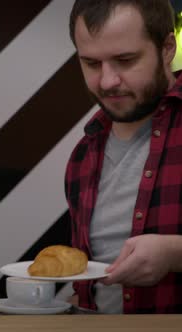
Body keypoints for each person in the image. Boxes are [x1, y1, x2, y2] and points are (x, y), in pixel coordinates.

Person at [65, 0, 182, 314]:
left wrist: (175, 253)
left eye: (125, 60)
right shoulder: (82, 156)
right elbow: (90, 289)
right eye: (91, 63)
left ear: (167, 48)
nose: (107, 81)